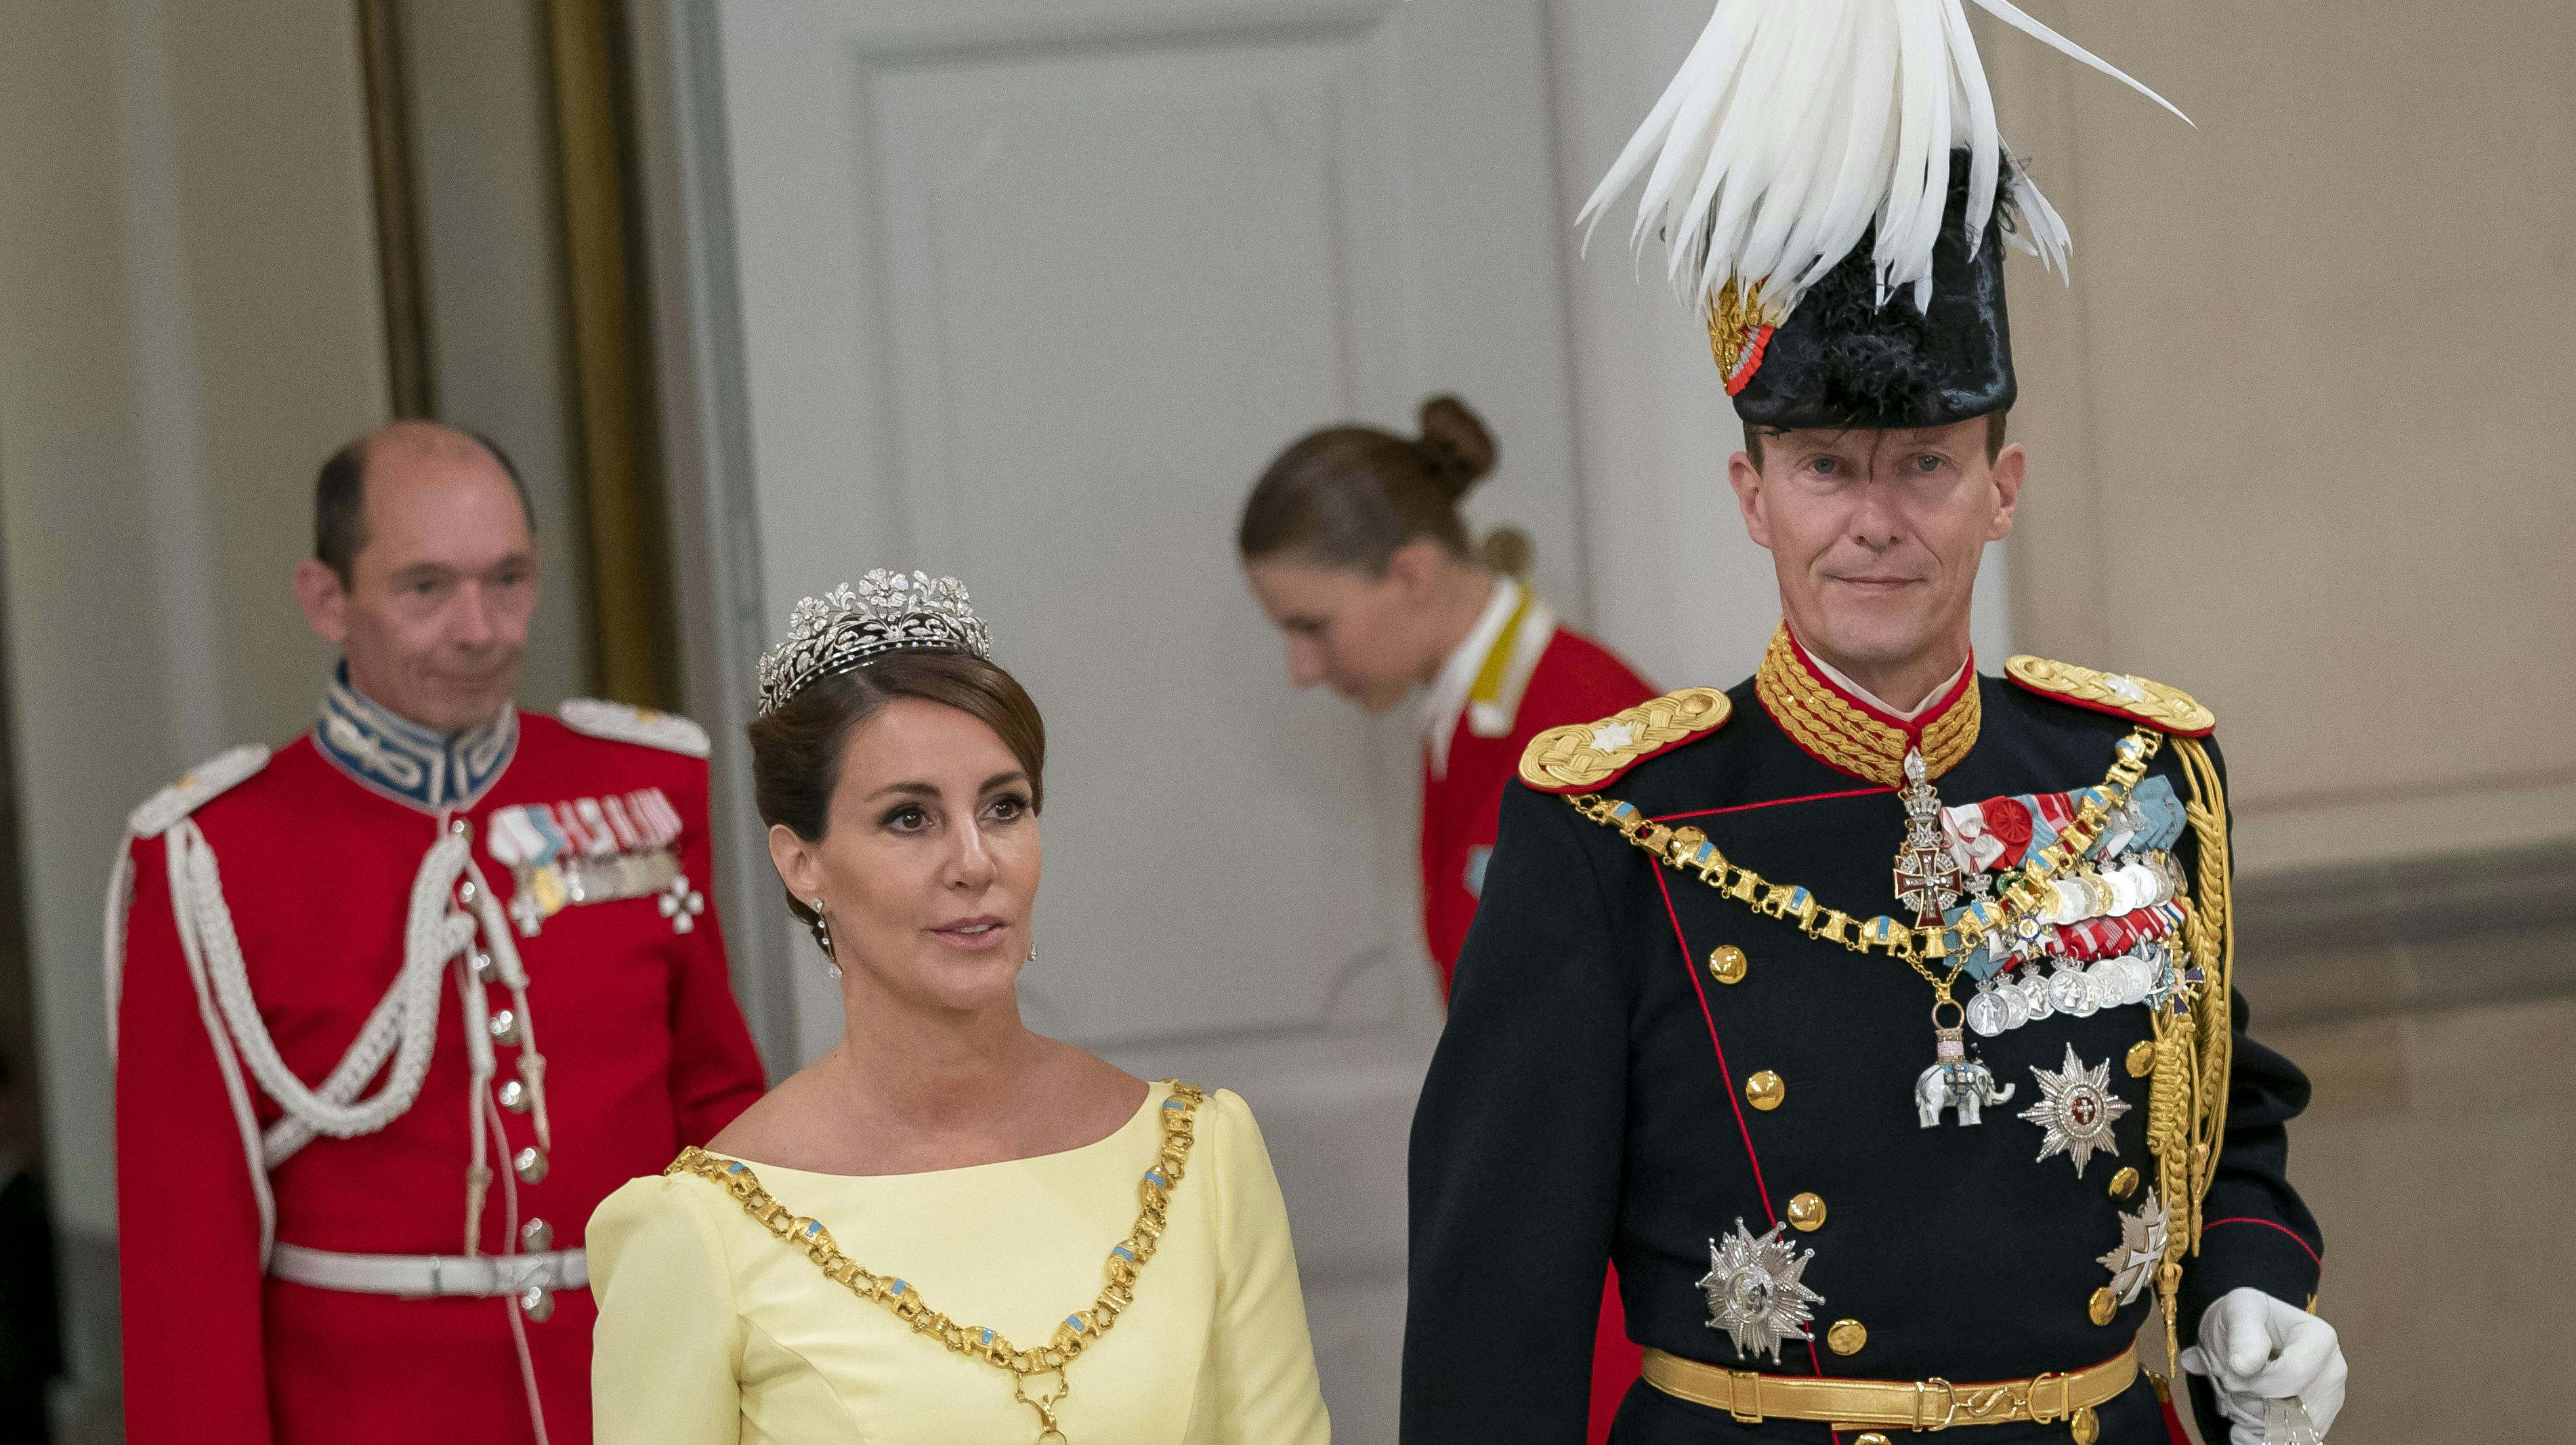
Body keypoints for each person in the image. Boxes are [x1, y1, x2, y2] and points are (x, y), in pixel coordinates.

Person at [1403, 5, 2348, 1444]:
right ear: (1753, 496)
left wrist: (2248, 1285)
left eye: (1924, 464)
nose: (1874, 519)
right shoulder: (1611, 823)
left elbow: (2220, 1121)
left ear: (2001, 486)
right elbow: (1497, 1300)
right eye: (1825, 466)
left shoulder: (2140, 772)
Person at [107, 421, 767, 1445]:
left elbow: (720, 1113)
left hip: (645, 1399)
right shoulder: (210, 854)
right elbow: (187, 1257)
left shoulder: (646, 789)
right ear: (327, 599)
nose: (480, 627)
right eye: (426, 588)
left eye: (509, 579)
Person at [587, 570, 1331, 1444]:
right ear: (801, 863)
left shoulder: (1201, 1153)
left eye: (1004, 807)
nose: (976, 861)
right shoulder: (700, 1230)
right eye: (910, 818)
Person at [1240, 396, 1654, 1443]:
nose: (1301, 666)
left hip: (1616, 1277)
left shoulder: (1584, 724)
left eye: (1310, 624)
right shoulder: (1468, 718)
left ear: (1409, 573)